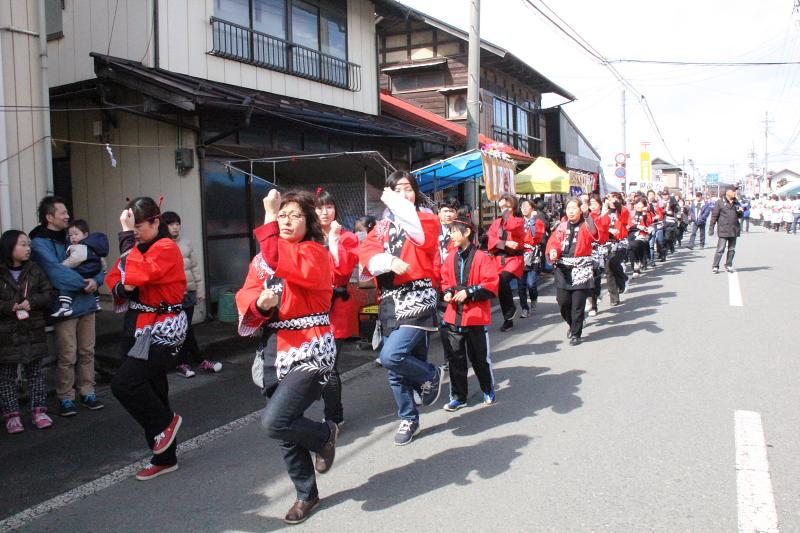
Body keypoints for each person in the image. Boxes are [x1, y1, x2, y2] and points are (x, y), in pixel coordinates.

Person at [236, 190, 337, 525]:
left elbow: (281, 260)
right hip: (273, 348)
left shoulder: (315, 252)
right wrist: (258, 305)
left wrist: (268, 215)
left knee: (275, 420)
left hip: (310, 345)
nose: (287, 220)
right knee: (286, 426)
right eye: (282, 215)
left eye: (295, 215)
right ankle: (306, 494)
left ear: (309, 222)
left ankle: (324, 436)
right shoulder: (262, 260)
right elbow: (248, 290)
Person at [359, 170, 443, 446]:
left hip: (418, 299)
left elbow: (420, 238)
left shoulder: (426, 219)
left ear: (416, 192)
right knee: (398, 369)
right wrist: (386, 261)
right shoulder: (381, 226)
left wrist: (397, 204)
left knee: (392, 355)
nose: (405, 194)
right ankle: (409, 418)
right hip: (390, 301)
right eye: (398, 190)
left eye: (408, 189)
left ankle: (431, 375)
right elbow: (367, 253)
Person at [107, 197, 188, 481]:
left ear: (157, 222)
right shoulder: (139, 248)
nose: (135, 232)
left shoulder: (166, 247)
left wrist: (127, 240)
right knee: (152, 387)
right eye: (133, 227)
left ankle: (166, 423)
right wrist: (123, 284)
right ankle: (165, 457)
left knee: (125, 383)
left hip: (162, 327)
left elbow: (138, 274)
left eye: (139, 226)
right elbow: (116, 278)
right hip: (137, 324)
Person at [30, 196, 105, 417]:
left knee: (87, 351)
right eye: (62, 213)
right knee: (67, 354)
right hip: (65, 306)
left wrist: (96, 280)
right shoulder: (39, 242)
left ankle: (87, 391)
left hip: (87, 303)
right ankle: (65, 397)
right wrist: (85, 284)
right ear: (49, 217)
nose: (67, 216)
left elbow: (96, 260)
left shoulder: (72, 236)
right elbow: (55, 273)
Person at [440, 218, 499, 411]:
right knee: (455, 359)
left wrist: (470, 292)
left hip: (475, 316)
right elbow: (444, 281)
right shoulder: (450, 258)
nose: (451, 235)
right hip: (453, 316)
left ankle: (488, 389)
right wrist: (448, 292)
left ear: (467, 233)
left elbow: (491, 283)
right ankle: (459, 397)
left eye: (455, 231)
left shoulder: (482, 257)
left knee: (479, 358)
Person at [0, 230, 56, 433]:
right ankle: (11, 416)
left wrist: (31, 302)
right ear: (9, 247)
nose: (28, 248)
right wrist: (9, 306)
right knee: (6, 375)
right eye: (22, 244)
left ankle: (39, 411)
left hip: (32, 329)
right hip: (6, 332)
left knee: (35, 373)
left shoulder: (35, 269)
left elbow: (48, 294)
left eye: (28, 245)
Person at [315, 188, 359, 427]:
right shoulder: (308, 237)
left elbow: (342, 269)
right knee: (318, 364)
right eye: (319, 207)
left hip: (337, 308)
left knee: (329, 364)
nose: (324, 211)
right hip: (311, 308)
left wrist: (333, 240)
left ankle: (334, 416)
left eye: (329, 206)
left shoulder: (348, 237)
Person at [161, 211, 222, 378]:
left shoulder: (186, 243)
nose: (175, 227)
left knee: (186, 329)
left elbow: (195, 268)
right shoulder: (161, 245)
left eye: (177, 223)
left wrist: (200, 291)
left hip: (190, 292)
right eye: (171, 224)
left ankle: (184, 364)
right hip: (173, 295)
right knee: (183, 330)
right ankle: (195, 361)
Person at [546, 198, 599, 346]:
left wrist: (587, 214)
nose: (570, 211)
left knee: (577, 304)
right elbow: (553, 242)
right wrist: (553, 251)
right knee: (563, 302)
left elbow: (594, 231)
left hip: (581, 268)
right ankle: (573, 323)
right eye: (568, 208)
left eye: (574, 208)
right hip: (563, 268)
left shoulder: (586, 224)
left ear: (580, 210)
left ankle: (576, 333)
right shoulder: (562, 226)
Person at [51, 220, 108, 317]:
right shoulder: (92, 247)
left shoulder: (80, 247)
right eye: (70, 235)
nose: (73, 237)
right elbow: (102, 262)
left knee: (66, 287)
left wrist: (62, 266)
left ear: (85, 234)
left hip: (82, 271)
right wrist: (103, 270)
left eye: (76, 234)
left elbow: (75, 259)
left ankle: (65, 307)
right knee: (93, 287)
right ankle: (97, 303)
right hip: (92, 272)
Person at [487, 193, 525, 332]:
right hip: (498, 259)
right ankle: (508, 319)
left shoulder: (518, 221)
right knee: (499, 284)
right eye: (502, 206)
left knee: (503, 279)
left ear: (514, 207)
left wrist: (507, 215)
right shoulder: (496, 223)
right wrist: (505, 243)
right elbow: (491, 240)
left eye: (507, 207)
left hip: (514, 259)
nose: (504, 210)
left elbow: (512, 227)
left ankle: (510, 309)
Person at [518, 198, 546, 318]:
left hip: (533, 255)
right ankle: (524, 308)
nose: (524, 208)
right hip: (520, 255)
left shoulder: (538, 222)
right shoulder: (518, 222)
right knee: (521, 285)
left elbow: (536, 236)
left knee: (531, 283)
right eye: (522, 206)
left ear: (532, 208)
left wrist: (533, 220)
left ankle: (533, 298)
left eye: (526, 206)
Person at [709, 186, 744, 274]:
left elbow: (740, 215)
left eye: (735, 191)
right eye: (733, 191)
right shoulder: (719, 202)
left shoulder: (736, 202)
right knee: (720, 249)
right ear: (727, 192)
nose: (735, 193)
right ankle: (715, 266)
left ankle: (728, 265)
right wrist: (711, 228)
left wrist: (740, 211)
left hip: (734, 229)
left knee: (732, 249)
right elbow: (714, 216)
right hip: (723, 229)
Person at [601, 195, 629, 306]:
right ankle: (614, 297)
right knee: (608, 269)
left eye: (615, 199)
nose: (612, 201)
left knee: (613, 262)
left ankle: (622, 279)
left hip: (620, 242)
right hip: (607, 243)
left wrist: (615, 202)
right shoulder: (604, 212)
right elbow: (600, 225)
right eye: (610, 199)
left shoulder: (622, 211)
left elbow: (624, 213)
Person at [628, 198, 652, 278]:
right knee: (630, 248)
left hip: (642, 234)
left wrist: (644, 213)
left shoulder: (646, 214)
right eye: (637, 206)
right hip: (631, 233)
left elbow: (647, 223)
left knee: (635, 245)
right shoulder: (631, 213)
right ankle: (635, 266)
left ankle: (639, 263)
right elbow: (628, 224)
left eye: (641, 207)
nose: (639, 208)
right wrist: (637, 226)